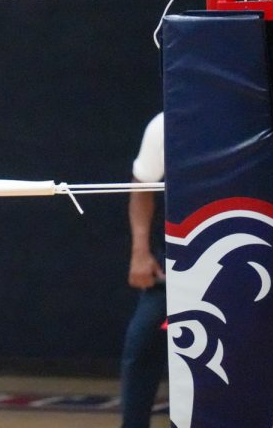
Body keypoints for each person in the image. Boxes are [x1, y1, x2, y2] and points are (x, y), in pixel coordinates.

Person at [120, 113, 168, 428]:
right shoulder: (164, 124)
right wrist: (140, 252)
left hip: (231, 257)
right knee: (141, 344)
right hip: (176, 262)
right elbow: (142, 187)